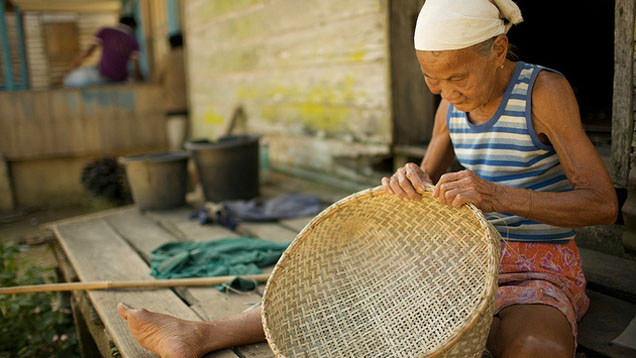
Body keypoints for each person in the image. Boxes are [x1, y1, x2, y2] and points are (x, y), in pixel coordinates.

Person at [117, 0, 619, 357]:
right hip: (454, 257)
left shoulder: (543, 92)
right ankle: (201, 335)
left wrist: (496, 195)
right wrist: (409, 177)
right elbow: (427, 172)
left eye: (457, 77)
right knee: (344, 298)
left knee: (536, 348)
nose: (445, 90)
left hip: (534, 266)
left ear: (498, 48)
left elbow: (601, 204)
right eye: (431, 78)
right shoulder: (450, 101)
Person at [64, 15, 142, 87]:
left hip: (102, 75)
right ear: (132, 26)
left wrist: (72, 67)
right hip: (119, 79)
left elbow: (88, 53)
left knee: (70, 80)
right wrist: (140, 78)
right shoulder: (134, 41)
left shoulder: (105, 31)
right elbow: (136, 69)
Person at [156, 33, 188, 150]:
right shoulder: (190, 56)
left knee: (176, 148)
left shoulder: (167, 59)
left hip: (175, 108)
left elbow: (157, 79)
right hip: (195, 108)